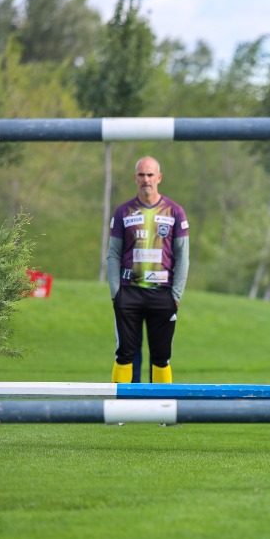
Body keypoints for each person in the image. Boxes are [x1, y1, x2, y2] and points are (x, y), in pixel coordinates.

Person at [107, 156, 190, 385]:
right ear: (135, 178)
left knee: (161, 357)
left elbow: (183, 256)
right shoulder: (123, 212)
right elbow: (113, 255)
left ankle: (162, 406)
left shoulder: (175, 212)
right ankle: (120, 405)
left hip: (162, 293)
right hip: (129, 292)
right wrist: (116, 294)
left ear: (159, 178)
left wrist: (176, 295)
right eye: (142, 175)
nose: (146, 180)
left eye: (150, 175)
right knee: (124, 354)